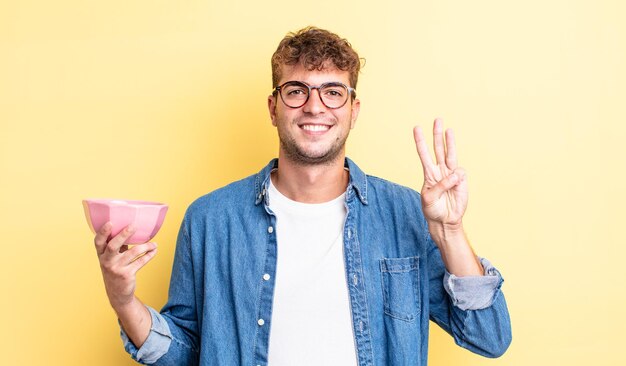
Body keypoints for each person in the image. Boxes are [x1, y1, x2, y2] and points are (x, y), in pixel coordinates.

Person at [93, 27, 512, 365]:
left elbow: (489, 338)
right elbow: (184, 352)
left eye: (333, 92)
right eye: (297, 91)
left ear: (353, 109)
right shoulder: (210, 220)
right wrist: (124, 301)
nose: (315, 106)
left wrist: (451, 231)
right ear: (274, 107)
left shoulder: (405, 213)